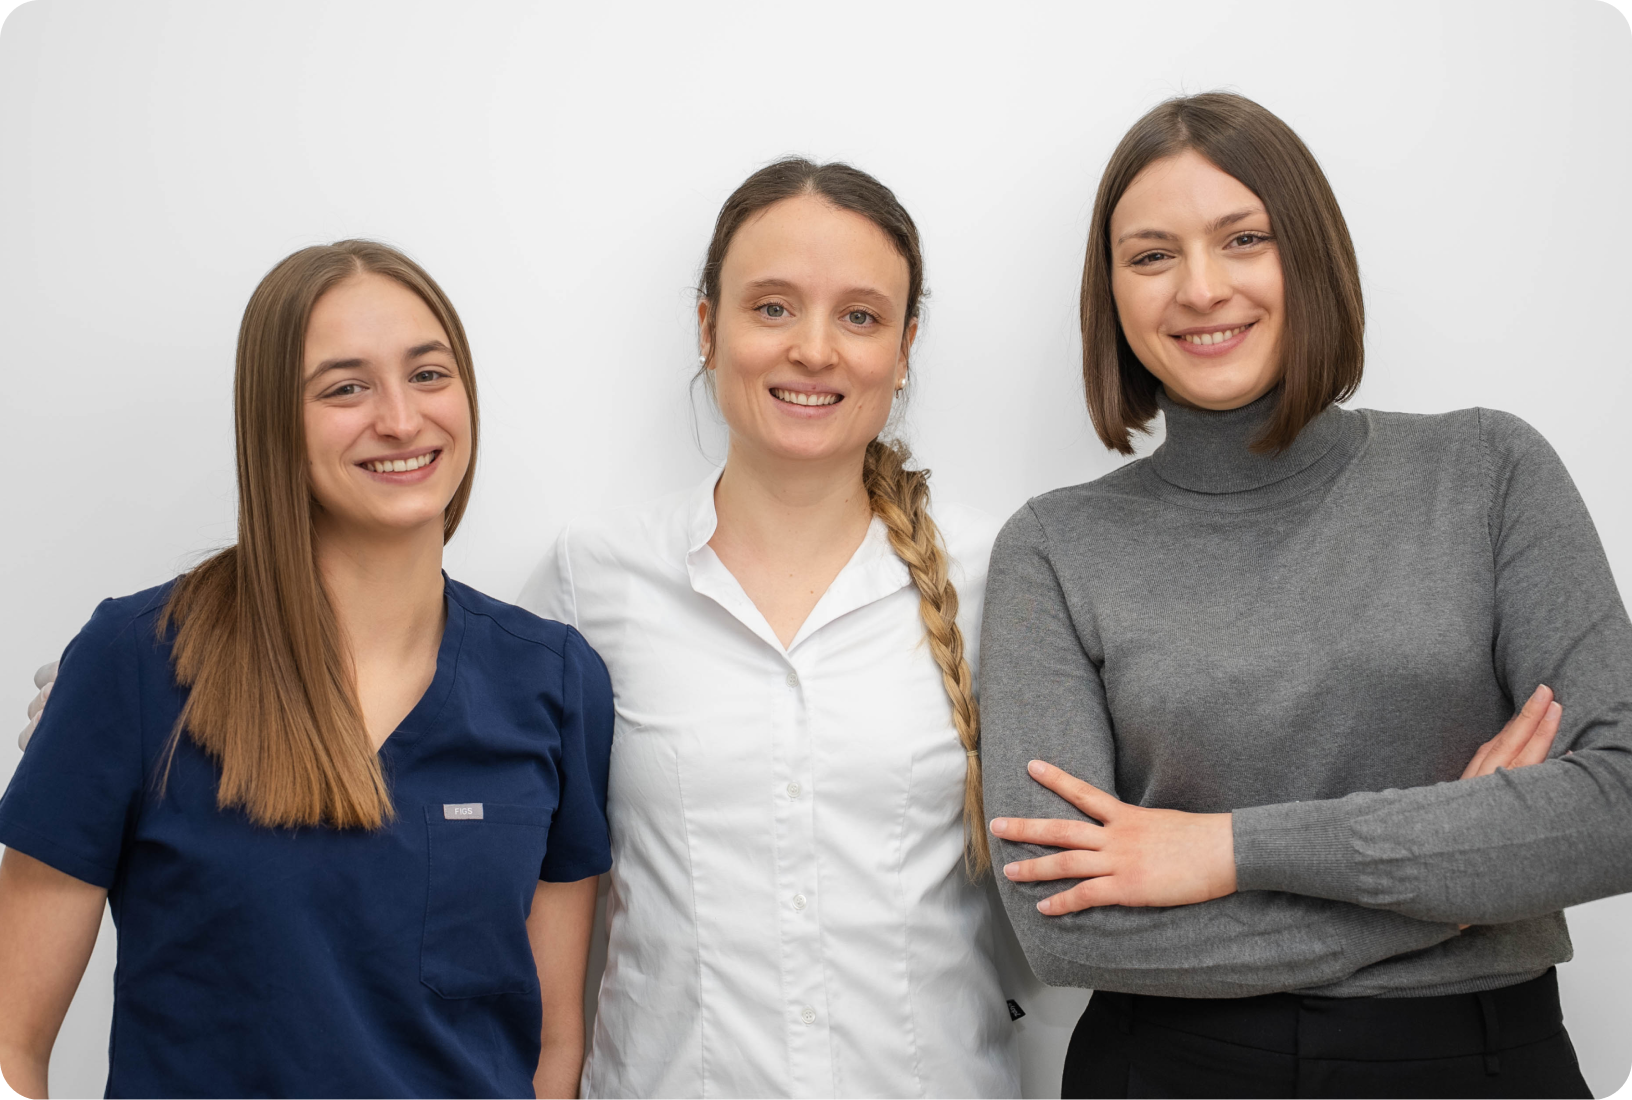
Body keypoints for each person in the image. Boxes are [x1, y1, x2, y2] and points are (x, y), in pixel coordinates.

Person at [981, 92, 1629, 1098]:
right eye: (1152, 255)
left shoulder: (1487, 469)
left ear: (1310, 255)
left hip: (1488, 1064)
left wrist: (1228, 847)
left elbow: (1619, 801)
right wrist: (1451, 889)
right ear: (1110, 294)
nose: (1201, 288)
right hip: (1174, 1070)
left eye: (1244, 238)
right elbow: (1064, 918)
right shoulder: (1056, 546)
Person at [0, 241, 612, 1100]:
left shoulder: (553, 684)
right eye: (345, 387)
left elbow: (551, 1046)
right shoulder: (134, 663)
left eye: (429, 375)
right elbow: (12, 1045)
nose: (401, 419)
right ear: (275, 421)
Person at [519, 158, 1022, 1099]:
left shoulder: (1001, 574)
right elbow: (540, 889)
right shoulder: (593, 580)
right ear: (709, 328)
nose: (816, 350)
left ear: (907, 346)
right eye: (774, 307)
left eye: (861, 316)